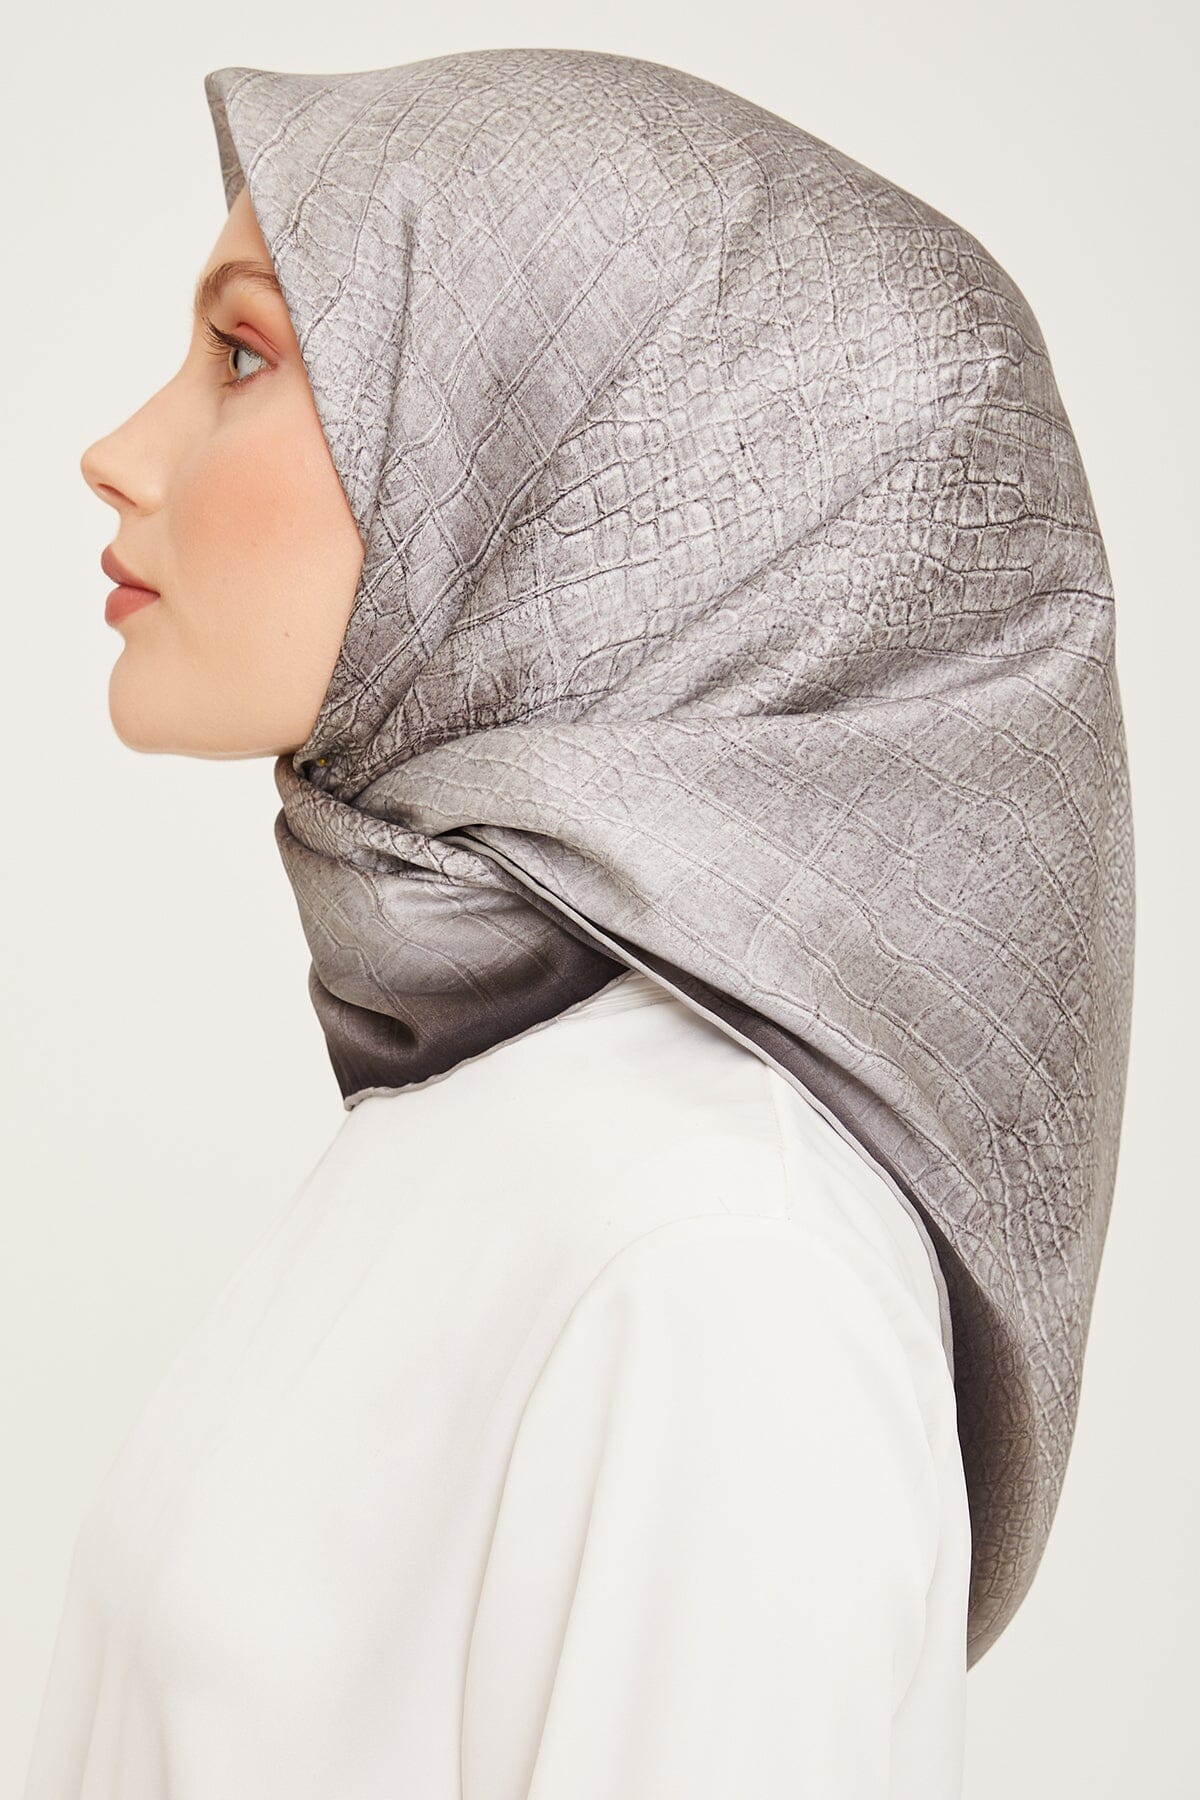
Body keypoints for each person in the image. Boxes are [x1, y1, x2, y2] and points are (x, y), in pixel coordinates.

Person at [24, 45, 1133, 1799]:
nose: (115, 456)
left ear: (556, 465)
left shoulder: (710, 1263)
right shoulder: (492, 1138)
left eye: (242, 353)